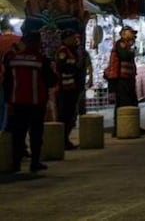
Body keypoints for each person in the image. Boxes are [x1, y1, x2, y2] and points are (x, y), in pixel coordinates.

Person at [3, 31, 57, 173]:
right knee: (36, 133)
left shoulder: (13, 59)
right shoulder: (41, 60)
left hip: (17, 102)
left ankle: (15, 164)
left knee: (18, 134)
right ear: (38, 43)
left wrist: (8, 101)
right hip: (36, 102)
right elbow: (52, 81)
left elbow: (7, 82)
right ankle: (34, 162)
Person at [105, 25, 143, 136]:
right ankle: (120, 129)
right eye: (130, 33)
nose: (133, 35)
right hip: (121, 79)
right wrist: (131, 51)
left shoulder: (127, 45)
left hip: (129, 78)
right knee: (123, 103)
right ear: (123, 34)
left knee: (133, 102)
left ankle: (133, 126)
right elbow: (124, 56)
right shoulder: (120, 44)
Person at [55, 29, 88, 149]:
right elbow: (63, 67)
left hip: (72, 88)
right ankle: (62, 141)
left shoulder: (74, 51)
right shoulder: (63, 51)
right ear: (66, 39)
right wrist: (74, 68)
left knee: (70, 115)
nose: (75, 40)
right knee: (64, 115)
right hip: (65, 89)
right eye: (72, 38)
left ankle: (65, 140)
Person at [0, 17, 22, 131]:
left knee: (2, 106)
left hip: (2, 78)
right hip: (18, 78)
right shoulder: (19, 39)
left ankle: (2, 131)